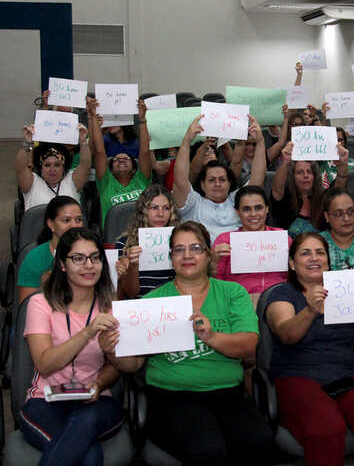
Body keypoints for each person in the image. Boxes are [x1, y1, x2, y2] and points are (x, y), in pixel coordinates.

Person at [99, 221, 276, 464]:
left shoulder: (233, 293)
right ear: (171, 257)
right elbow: (134, 365)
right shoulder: (152, 302)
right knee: (209, 450)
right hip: (171, 398)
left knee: (260, 444)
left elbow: (248, 346)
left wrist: (212, 337)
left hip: (228, 395)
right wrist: (112, 352)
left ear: (209, 254)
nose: (188, 255)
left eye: (196, 248)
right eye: (179, 250)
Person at [264, 233, 354, 466]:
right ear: (292, 263)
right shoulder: (282, 294)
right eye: (305, 253)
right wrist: (310, 310)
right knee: (326, 429)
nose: (314, 258)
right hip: (298, 375)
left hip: (344, 373)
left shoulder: (344, 289)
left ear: (328, 260)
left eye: (320, 252)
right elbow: (286, 334)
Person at [20, 228, 124, 465]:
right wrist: (88, 332)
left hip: (97, 400)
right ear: (63, 265)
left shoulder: (111, 305)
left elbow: (116, 366)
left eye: (95, 258)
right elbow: (45, 364)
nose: (89, 265)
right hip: (45, 399)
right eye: (78, 258)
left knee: (85, 423)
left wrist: (99, 383)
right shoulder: (41, 303)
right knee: (88, 454)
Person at [172, 113, 267, 245]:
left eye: (222, 179)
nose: (217, 184)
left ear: (229, 183)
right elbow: (180, 180)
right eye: (211, 180)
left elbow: (257, 179)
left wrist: (261, 142)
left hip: (238, 259)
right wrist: (187, 141)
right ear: (202, 184)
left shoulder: (237, 200)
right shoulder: (194, 203)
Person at [212, 185, 291, 308]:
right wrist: (214, 261)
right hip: (238, 301)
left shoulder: (282, 238)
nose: (253, 214)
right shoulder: (225, 240)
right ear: (237, 212)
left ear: (267, 209)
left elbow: (293, 276)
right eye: (246, 209)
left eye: (258, 208)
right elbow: (217, 282)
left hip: (278, 299)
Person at [88, 97, 153, 227]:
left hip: (142, 235)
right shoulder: (106, 183)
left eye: (126, 159)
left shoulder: (142, 180)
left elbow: (145, 152)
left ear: (135, 168)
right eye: (116, 159)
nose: (121, 160)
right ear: (110, 169)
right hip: (113, 237)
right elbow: (100, 152)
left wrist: (142, 119)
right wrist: (93, 117)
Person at [270, 140, 349, 237]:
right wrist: (285, 162)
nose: (305, 175)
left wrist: (343, 163)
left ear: (315, 175)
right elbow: (277, 190)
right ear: (292, 177)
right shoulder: (286, 198)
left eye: (309, 171)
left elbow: (340, 184)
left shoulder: (324, 197)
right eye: (299, 172)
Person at [115, 184, 180, 299]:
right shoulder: (124, 243)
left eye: (166, 208)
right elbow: (131, 293)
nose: (161, 214)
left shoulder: (180, 240)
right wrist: (132, 266)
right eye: (154, 208)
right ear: (143, 211)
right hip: (140, 307)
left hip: (173, 303)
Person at [17, 196, 84, 304]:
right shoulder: (35, 258)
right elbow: (25, 309)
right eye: (66, 220)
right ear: (51, 224)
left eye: (79, 220)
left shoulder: (92, 253)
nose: (74, 226)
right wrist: (44, 289)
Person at [16, 123, 91, 211]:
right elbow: (20, 168)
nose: (52, 169)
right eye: (47, 165)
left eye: (57, 165)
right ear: (41, 167)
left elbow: (85, 165)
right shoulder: (32, 183)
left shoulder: (72, 180)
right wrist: (27, 142)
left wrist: (83, 141)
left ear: (64, 167)